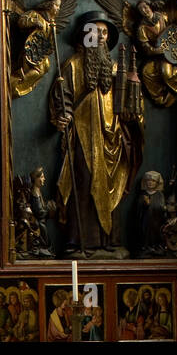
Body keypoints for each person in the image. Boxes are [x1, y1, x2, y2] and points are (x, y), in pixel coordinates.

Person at [49, 13, 143, 255]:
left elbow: (130, 105)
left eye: (104, 33)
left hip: (112, 138)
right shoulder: (72, 65)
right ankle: (78, 243)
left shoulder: (114, 68)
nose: (99, 37)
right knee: (83, 184)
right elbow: (63, 98)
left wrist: (134, 103)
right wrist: (63, 115)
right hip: (83, 136)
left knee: (113, 187)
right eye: (94, 32)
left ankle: (111, 243)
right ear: (84, 36)